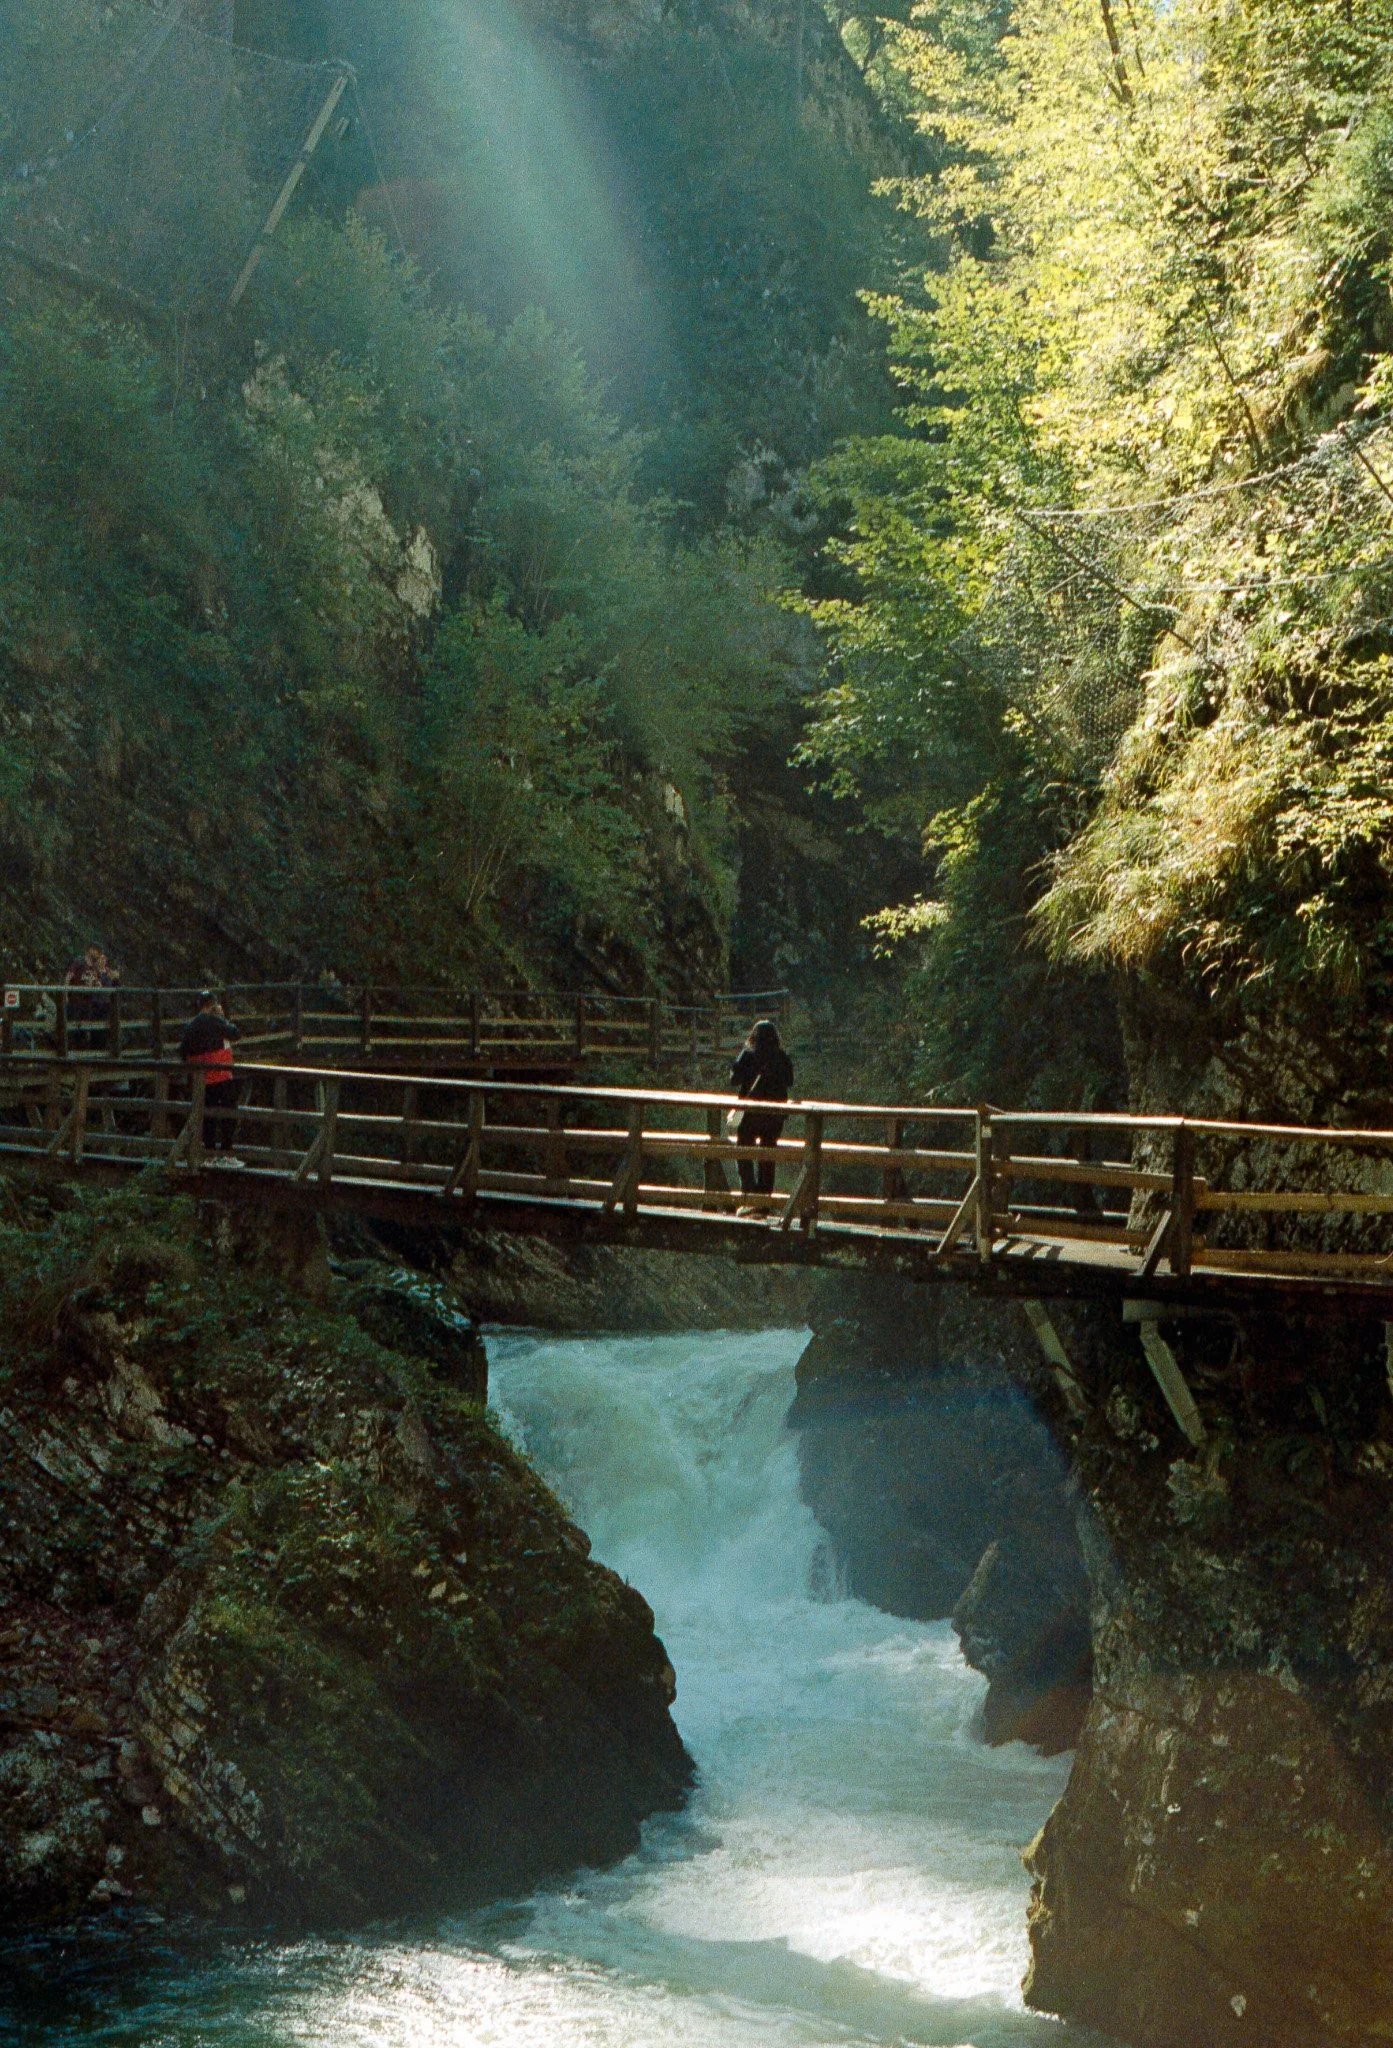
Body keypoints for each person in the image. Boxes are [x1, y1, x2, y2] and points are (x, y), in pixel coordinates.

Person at [729, 1018, 794, 1211]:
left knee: (744, 1152)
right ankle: (764, 1199)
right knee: (767, 1156)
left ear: (754, 1036)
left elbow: (734, 1079)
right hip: (774, 1117)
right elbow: (789, 1081)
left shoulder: (748, 1055)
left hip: (750, 1115)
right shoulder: (781, 1057)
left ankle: (749, 1196)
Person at [179, 990, 242, 1165]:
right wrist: (223, 1020)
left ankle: (209, 1154)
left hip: (202, 1079)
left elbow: (182, 1052)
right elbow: (236, 1033)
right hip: (221, 1074)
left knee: (208, 1117)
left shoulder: (191, 1026)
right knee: (229, 1113)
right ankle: (227, 1153)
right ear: (212, 1004)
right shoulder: (216, 1021)